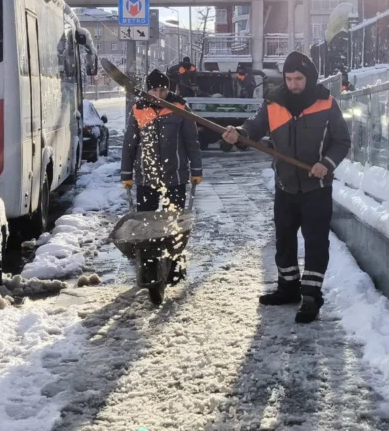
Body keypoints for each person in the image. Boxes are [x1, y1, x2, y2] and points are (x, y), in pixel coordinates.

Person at [222, 52, 350, 323]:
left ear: (310, 77)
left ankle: (312, 295)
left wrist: (326, 163)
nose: (293, 84)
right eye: (289, 79)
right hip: (285, 185)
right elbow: (252, 130)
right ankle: (288, 287)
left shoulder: (327, 103)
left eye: (299, 79)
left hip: (316, 186)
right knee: (284, 238)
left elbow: (342, 141)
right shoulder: (273, 103)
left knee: (315, 242)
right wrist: (239, 135)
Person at [121, 69, 203, 282]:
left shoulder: (180, 108)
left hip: (174, 176)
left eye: (163, 89)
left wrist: (196, 170)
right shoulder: (138, 110)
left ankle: (175, 265)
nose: (159, 94)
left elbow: (191, 141)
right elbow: (130, 144)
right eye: (154, 90)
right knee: (146, 224)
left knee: (175, 223)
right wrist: (126, 173)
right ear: (148, 90)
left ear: (170, 89)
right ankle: (148, 267)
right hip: (146, 177)